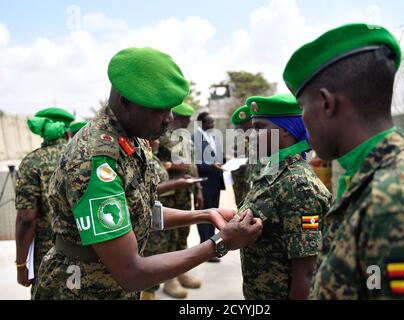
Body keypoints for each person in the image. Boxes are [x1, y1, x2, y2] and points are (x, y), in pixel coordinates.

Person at [32, 47, 262, 300]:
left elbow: (140, 211)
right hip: (80, 290)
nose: (168, 119)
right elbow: (131, 273)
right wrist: (220, 243)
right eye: (159, 109)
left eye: (170, 109)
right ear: (124, 102)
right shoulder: (96, 161)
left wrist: (206, 214)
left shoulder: (132, 139)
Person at [283, 23, 404, 299]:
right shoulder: (370, 181)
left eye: (302, 108)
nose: (302, 119)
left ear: (326, 103)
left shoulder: (399, 204)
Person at [239, 94, 332, 300]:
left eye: (260, 128)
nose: (251, 136)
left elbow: (307, 273)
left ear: (286, 132)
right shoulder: (273, 170)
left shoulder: (299, 186)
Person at [15, 107, 74, 294]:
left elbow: (27, 218)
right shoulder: (82, 157)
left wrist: (21, 264)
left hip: (47, 258)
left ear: (41, 132)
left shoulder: (32, 162)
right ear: (67, 131)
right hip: (84, 256)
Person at [157, 102, 203, 298]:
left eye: (189, 120)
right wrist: (171, 165)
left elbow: (192, 164)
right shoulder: (158, 134)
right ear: (174, 117)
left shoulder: (185, 138)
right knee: (167, 236)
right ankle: (169, 279)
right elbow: (149, 160)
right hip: (168, 193)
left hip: (185, 191)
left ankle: (181, 271)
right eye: (184, 120)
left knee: (182, 232)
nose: (187, 123)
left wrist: (198, 189)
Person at [140, 138, 197, 300]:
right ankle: (147, 292)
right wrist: (174, 185)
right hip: (150, 213)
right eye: (155, 139)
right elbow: (148, 189)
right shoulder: (143, 157)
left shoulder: (153, 156)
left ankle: (158, 287)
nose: (158, 141)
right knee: (153, 250)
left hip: (160, 209)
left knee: (168, 243)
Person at [193, 112, 226, 262]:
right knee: (204, 215)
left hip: (215, 181)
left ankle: (212, 246)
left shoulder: (212, 137)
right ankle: (204, 247)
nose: (212, 126)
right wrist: (212, 165)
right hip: (204, 182)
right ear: (201, 123)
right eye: (210, 123)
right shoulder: (195, 139)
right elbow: (195, 164)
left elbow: (219, 155)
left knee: (214, 214)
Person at [230, 105, 253, 206]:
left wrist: (248, 166)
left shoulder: (267, 142)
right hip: (243, 189)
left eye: (246, 128)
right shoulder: (242, 141)